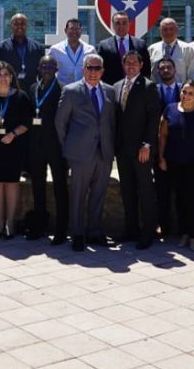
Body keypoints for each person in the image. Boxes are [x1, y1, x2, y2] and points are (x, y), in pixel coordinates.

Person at [54, 54, 117, 251]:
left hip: (103, 153)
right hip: (80, 154)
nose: (93, 72)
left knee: (99, 194)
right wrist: (70, 147)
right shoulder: (71, 91)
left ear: (102, 71)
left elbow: (111, 122)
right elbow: (60, 123)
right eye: (89, 68)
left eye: (97, 68)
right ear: (83, 69)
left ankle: (95, 232)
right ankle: (78, 234)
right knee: (78, 195)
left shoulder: (109, 91)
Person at [113, 50, 161, 249]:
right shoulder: (116, 86)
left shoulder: (148, 87)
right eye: (127, 62)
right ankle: (130, 228)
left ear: (141, 65)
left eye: (135, 63)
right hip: (122, 149)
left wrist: (147, 144)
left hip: (141, 149)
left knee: (145, 190)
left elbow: (153, 118)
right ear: (123, 65)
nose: (131, 66)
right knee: (127, 190)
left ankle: (148, 231)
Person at [157, 80, 194, 251]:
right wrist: (161, 157)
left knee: (192, 199)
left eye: (190, 93)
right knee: (179, 199)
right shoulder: (170, 110)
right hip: (174, 162)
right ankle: (183, 233)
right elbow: (163, 135)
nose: (186, 96)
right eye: (184, 92)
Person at [0, 61, 32, 239]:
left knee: (12, 183)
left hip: (14, 146)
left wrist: (12, 134)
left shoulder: (21, 96)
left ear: (12, 77)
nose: (3, 78)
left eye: (6, 74)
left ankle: (10, 223)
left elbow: (27, 122)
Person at [26, 55, 66, 243]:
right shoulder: (33, 89)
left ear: (56, 68)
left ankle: (60, 230)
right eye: (44, 65)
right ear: (39, 69)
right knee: (38, 187)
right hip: (36, 145)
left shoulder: (63, 90)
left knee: (60, 186)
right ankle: (39, 226)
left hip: (56, 145)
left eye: (51, 65)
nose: (47, 68)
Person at [151, 57, 182, 240]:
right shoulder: (153, 91)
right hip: (159, 147)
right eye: (161, 68)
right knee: (161, 190)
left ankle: (181, 227)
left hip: (180, 147)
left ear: (175, 69)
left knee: (179, 189)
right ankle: (163, 225)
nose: (165, 70)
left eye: (168, 67)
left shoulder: (184, 90)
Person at [97, 11, 151, 86]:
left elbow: (146, 69)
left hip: (136, 88)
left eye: (124, 23)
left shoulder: (140, 44)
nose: (121, 26)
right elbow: (100, 69)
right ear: (113, 25)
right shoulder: (104, 45)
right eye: (118, 23)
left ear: (129, 24)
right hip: (112, 88)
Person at [0, 12, 46, 85]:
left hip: (31, 89)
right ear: (11, 26)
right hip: (9, 90)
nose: (19, 26)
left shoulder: (38, 48)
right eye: (16, 24)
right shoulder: (1, 48)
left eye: (22, 24)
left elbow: (42, 72)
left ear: (27, 26)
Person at [49, 17, 97, 86]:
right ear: (65, 30)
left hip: (83, 90)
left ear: (81, 31)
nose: (74, 32)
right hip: (62, 89)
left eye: (77, 29)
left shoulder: (90, 50)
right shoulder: (55, 49)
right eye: (71, 29)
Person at [148, 18, 194, 85]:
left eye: (171, 29)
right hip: (156, 92)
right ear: (160, 31)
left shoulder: (187, 49)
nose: (168, 32)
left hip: (180, 93)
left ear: (177, 30)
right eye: (165, 29)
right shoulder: (151, 49)